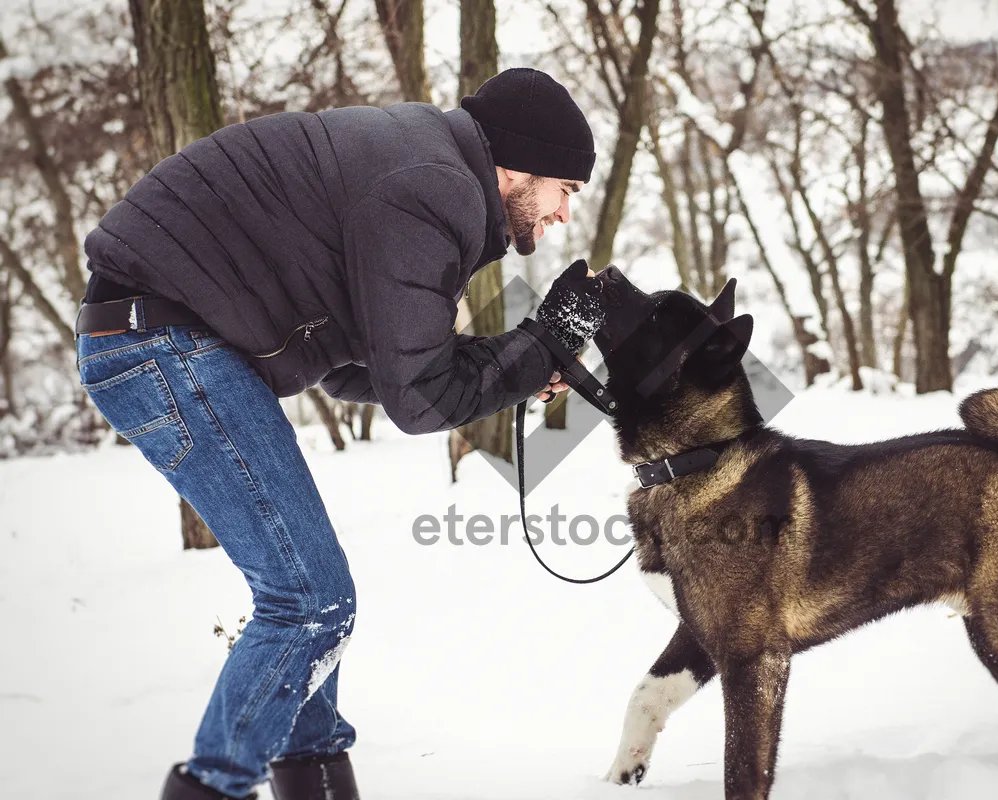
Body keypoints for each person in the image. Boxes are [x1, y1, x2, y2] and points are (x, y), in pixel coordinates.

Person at [73, 68, 608, 800]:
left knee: (308, 602)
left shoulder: (424, 164)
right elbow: (420, 399)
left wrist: (528, 357)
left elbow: (378, 374)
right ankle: (211, 786)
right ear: (516, 164)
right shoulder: (438, 186)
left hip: (166, 332)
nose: (562, 216)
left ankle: (317, 780)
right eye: (565, 191)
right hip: (161, 338)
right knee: (309, 599)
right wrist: (539, 346)